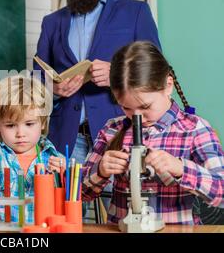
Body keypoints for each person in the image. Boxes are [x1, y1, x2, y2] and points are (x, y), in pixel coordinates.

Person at [33, 0, 161, 164]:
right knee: (66, 199)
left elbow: (155, 71)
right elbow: (36, 80)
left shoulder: (136, 12)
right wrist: (53, 89)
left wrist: (117, 73)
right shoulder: (51, 22)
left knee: (121, 198)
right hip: (65, 142)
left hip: (121, 138)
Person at [82, 41, 224, 224]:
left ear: (168, 86)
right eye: (126, 108)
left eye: (145, 106)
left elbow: (221, 192)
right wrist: (100, 171)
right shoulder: (112, 129)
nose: (137, 117)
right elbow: (78, 194)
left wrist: (181, 168)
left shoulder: (195, 130)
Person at [0, 75, 65, 223]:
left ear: (42, 122)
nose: (20, 133)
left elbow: (70, 205)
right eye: (10, 125)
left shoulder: (55, 159)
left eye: (29, 124)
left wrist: (65, 176)